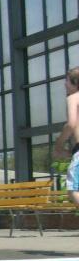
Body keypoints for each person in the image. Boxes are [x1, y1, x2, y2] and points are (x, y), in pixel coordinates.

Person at [54, 67, 79, 205]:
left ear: (75, 83)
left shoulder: (74, 98)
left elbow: (71, 124)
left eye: (67, 81)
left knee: (73, 190)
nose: (65, 84)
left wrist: (59, 145)